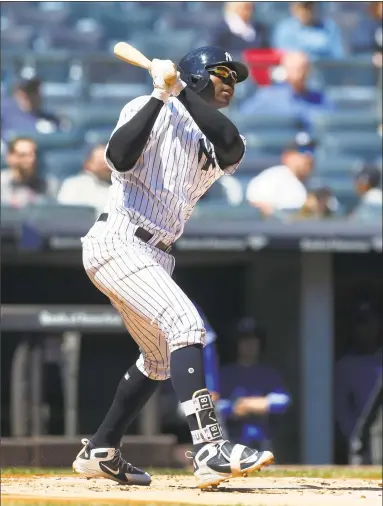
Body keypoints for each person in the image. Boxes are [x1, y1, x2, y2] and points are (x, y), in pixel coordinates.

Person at [72, 46, 274, 490]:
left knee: (159, 360)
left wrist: (179, 88)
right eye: (221, 73)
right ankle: (210, 448)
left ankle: (102, 449)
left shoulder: (215, 133)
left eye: (235, 78)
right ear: (199, 74)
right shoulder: (147, 107)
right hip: (120, 239)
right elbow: (119, 159)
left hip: (157, 253)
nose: (230, 83)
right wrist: (160, 96)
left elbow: (230, 142)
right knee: (186, 324)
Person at [218, 318, 290, 450]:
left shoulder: (269, 373)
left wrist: (259, 404)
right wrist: (234, 408)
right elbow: (214, 406)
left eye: (254, 340)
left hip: (264, 440)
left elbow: (283, 402)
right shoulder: (224, 374)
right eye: (244, 340)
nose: (250, 345)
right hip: (232, 439)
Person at [335, 302, 382, 465]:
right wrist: (356, 437)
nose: (367, 329)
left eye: (371, 322)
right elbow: (341, 408)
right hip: (361, 442)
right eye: (361, 323)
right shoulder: (346, 365)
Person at [239, 51, 333, 130]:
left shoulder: (320, 98)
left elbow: (332, 123)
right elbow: (243, 119)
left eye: (303, 68)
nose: (300, 74)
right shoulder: (268, 96)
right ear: (285, 69)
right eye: (294, 68)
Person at [246, 132, 315, 215]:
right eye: (302, 150)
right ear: (287, 156)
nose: (308, 156)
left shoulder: (318, 185)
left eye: (311, 150)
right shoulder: (268, 180)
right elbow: (255, 208)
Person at [272, 2, 344, 61]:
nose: (305, 11)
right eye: (301, 7)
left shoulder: (330, 27)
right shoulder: (284, 29)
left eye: (309, 6)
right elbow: (283, 59)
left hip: (324, 76)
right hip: (294, 77)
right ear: (293, 8)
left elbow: (337, 59)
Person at [1, 136, 58, 207]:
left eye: (33, 154)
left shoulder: (48, 185)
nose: (31, 160)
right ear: (10, 157)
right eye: (23, 155)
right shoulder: (2, 182)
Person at [1, 77, 66, 140]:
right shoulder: (5, 113)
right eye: (26, 91)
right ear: (16, 94)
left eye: (33, 91)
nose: (30, 96)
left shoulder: (50, 119)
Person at [57, 144, 111, 215]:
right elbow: (65, 213)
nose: (105, 167)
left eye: (108, 163)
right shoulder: (73, 185)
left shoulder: (124, 185)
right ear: (88, 164)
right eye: (101, 163)